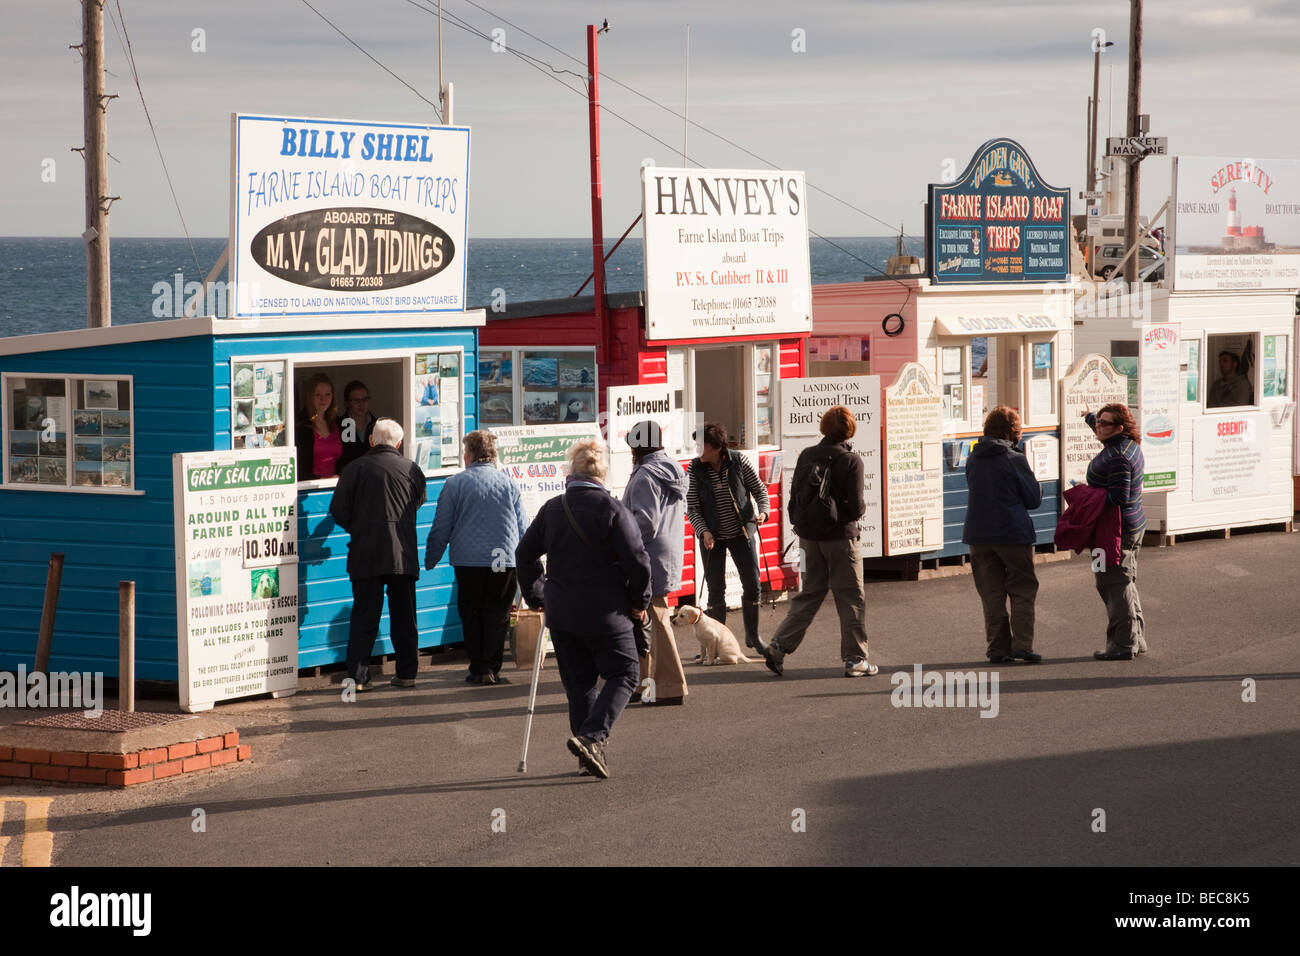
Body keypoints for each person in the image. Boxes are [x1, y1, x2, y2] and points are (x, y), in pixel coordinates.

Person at [516, 439, 652, 780]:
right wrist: (639, 601)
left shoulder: (552, 508)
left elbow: (524, 554)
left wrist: (538, 595)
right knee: (625, 673)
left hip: (562, 611)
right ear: (602, 473)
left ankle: (587, 753)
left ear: (570, 472)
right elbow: (638, 562)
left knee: (579, 686)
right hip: (607, 611)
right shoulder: (612, 509)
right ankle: (592, 739)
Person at [761, 406, 875, 678]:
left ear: (824, 427)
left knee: (810, 592)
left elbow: (794, 494)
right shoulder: (851, 460)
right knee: (850, 598)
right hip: (840, 538)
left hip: (810, 537)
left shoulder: (807, 454)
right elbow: (858, 508)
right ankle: (855, 659)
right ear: (850, 430)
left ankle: (778, 646)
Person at [424, 430, 530, 686]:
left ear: (469, 455)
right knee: (498, 613)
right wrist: (530, 561)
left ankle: (478, 667)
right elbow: (523, 526)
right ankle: (493, 668)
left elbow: (441, 526)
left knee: (471, 612)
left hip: (468, 561)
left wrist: (431, 558)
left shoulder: (455, 484)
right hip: (503, 560)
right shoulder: (508, 483)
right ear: (493, 456)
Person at [328, 418, 427, 690]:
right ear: (398, 443)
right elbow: (418, 502)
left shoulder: (354, 468)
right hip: (401, 554)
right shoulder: (411, 469)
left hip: (365, 553)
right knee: (405, 617)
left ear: (371, 441)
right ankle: (407, 673)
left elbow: (337, 509)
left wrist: (359, 528)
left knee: (364, 617)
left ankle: (358, 679)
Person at [961, 405, 1043, 664]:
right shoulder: (1014, 458)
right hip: (1012, 533)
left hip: (978, 533)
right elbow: (1033, 499)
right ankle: (1022, 645)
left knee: (991, 594)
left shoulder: (974, 457)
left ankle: (997, 648)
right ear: (1014, 432)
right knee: (1022, 589)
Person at [685, 423, 770, 651]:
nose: (697, 450)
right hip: (711, 537)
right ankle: (717, 642)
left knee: (753, 585)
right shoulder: (694, 469)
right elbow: (691, 507)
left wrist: (763, 512)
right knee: (715, 589)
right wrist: (704, 531)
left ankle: (753, 637)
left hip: (742, 534)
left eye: (701, 445)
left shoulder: (738, 461)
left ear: (716, 447)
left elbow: (760, 490)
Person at [622, 420, 689, 705]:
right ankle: (642, 685)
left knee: (655, 619)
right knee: (644, 619)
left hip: (648, 555)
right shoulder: (671, 469)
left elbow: (646, 523)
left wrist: (620, 534)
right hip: (668, 552)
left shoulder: (645, 476)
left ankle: (669, 687)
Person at [1084, 403, 1147, 660]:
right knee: (1125, 581)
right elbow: (1102, 427)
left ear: (1120, 428)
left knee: (1111, 583)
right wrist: (1089, 418)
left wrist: (1087, 499)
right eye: (1097, 421)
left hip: (1114, 530)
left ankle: (1123, 643)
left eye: (1104, 423)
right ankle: (1136, 639)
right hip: (1130, 526)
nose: (1098, 426)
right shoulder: (1125, 445)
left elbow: (1119, 495)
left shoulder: (1119, 456)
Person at [295, 373, 343, 479]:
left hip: (336, 486)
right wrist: (323, 479)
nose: (323, 399)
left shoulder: (339, 424)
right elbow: (297, 470)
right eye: (318, 395)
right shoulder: (300, 427)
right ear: (310, 396)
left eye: (328, 394)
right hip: (312, 489)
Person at [337, 379, 377, 473]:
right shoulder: (338, 425)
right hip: (348, 479)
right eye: (356, 400)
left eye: (364, 399)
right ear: (347, 403)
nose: (361, 404)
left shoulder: (378, 425)